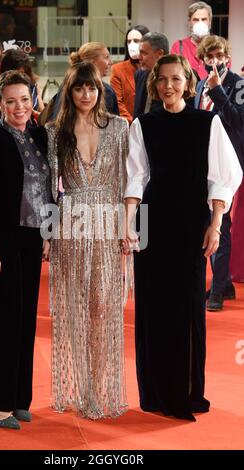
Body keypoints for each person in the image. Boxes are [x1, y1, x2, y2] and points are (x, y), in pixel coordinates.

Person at [124, 54, 242, 421]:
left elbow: (225, 175)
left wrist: (216, 224)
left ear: (187, 82)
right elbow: (135, 177)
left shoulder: (207, 123)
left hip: (192, 224)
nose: (169, 86)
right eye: (162, 80)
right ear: (155, 84)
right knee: (154, 307)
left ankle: (188, 392)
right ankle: (156, 392)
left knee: (189, 307)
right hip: (153, 225)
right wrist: (128, 222)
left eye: (176, 79)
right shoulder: (143, 124)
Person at [0, 71, 53, 430]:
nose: (18, 107)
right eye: (10, 101)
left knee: (26, 320)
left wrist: (49, 231)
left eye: (24, 99)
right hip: (1, 241)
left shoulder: (40, 134)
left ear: (33, 100)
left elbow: (49, 189)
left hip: (33, 238)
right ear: (0, 104)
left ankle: (20, 398)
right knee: (5, 320)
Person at [46, 62, 128, 419]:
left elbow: (132, 182)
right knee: (77, 310)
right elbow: (50, 188)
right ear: (70, 91)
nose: (86, 95)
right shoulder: (55, 131)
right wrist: (48, 235)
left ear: (100, 91)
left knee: (102, 309)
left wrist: (134, 230)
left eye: (91, 88)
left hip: (109, 226)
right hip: (71, 226)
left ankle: (99, 387)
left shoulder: (119, 127)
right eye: (79, 89)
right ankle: (83, 389)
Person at [195, 35, 244, 311]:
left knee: (221, 225)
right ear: (201, 60)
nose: (214, 61)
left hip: (228, 164)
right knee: (208, 223)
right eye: (208, 57)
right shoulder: (200, 84)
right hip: (203, 163)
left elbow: (238, 122)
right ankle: (223, 284)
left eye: (218, 55)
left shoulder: (238, 84)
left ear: (227, 57)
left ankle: (217, 289)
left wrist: (218, 92)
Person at [42, 42, 119, 123]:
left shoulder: (66, 83)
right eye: (106, 57)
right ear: (91, 62)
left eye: (91, 89)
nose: (110, 62)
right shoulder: (106, 90)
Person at [111, 25, 149, 123]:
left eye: (136, 41)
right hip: (128, 125)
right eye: (129, 41)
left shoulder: (153, 68)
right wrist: (134, 123)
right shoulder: (118, 69)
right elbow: (117, 102)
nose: (132, 44)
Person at [171, 1, 212, 80]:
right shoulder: (178, 47)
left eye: (204, 19)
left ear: (209, 21)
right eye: (196, 20)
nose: (200, 23)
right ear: (189, 22)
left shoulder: (219, 47)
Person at [133, 32, 169, 119]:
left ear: (159, 54)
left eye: (144, 53)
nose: (139, 57)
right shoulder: (139, 74)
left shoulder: (181, 77)